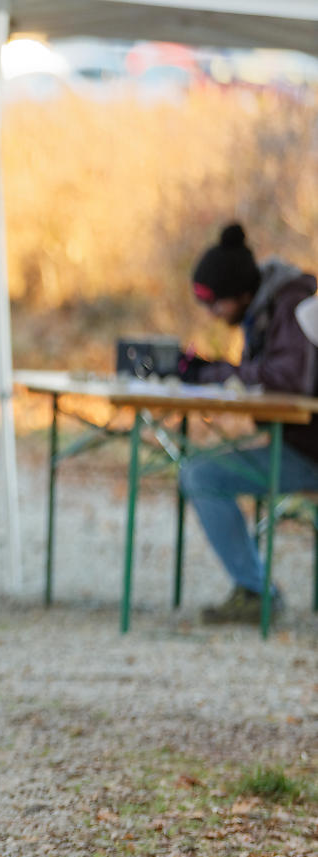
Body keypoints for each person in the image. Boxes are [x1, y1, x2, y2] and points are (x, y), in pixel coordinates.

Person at [177, 223, 318, 624]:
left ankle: (257, 592)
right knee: (200, 471)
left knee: (201, 475)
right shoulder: (269, 306)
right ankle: (255, 588)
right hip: (293, 443)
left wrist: (215, 372)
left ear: (241, 294)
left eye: (215, 303)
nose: (212, 313)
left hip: (308, 451)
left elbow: (289, 380)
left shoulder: (294, 307)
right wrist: (211, 371)